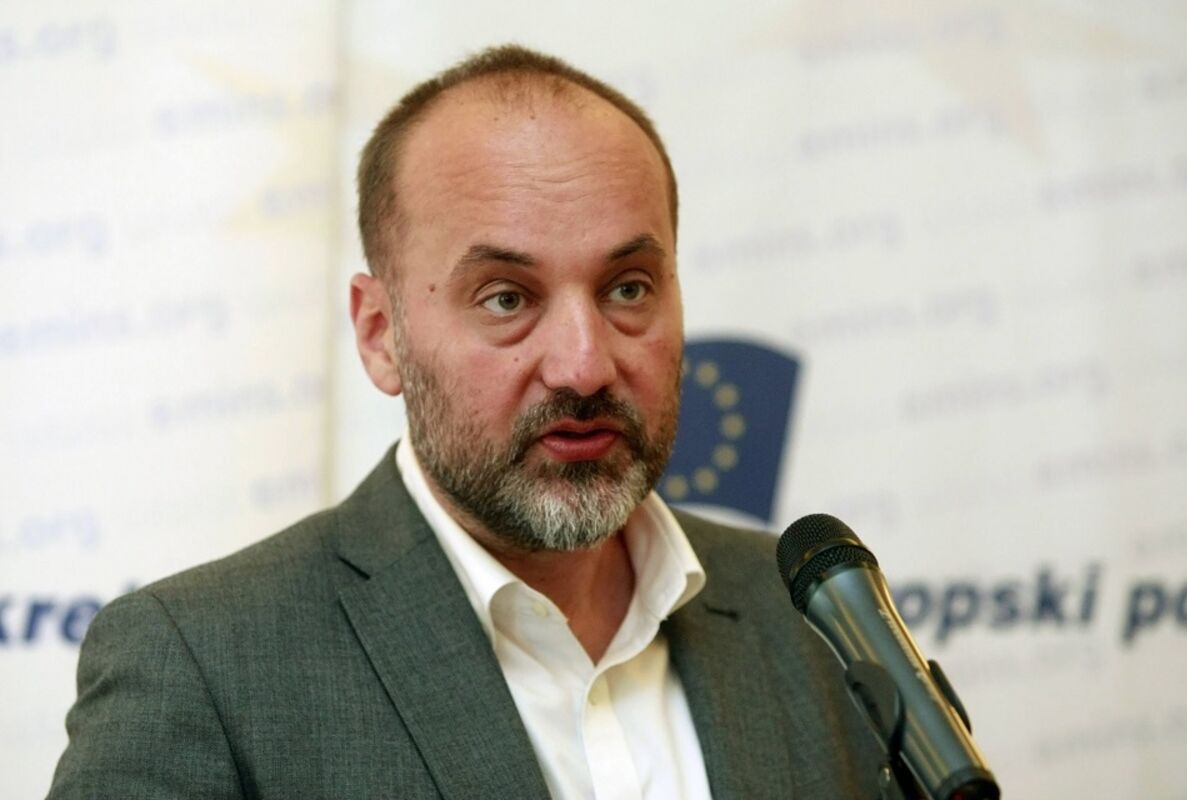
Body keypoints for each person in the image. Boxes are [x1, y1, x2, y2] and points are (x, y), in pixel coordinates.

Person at [48, 45, 879, 799]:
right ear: (381, 335)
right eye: (507, 299)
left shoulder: (816, 615)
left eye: (628, 288)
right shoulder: (204, 666)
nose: (584, 365)